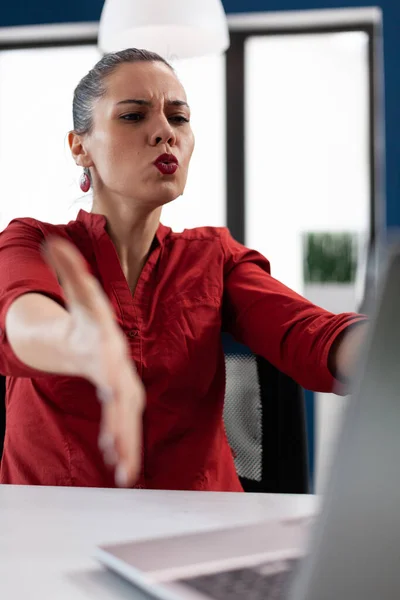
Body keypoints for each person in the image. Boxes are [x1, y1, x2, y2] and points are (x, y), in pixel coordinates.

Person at [0, 48, 367, 491]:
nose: (164, 133)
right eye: (134, 117)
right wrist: (77, 344)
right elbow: (20, 319)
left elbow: (310, 335)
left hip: (201, 539)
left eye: (179, 117)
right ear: (81, 147)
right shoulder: (33, 242)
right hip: (56, 539)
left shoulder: (214, 256)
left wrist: (381, 348)